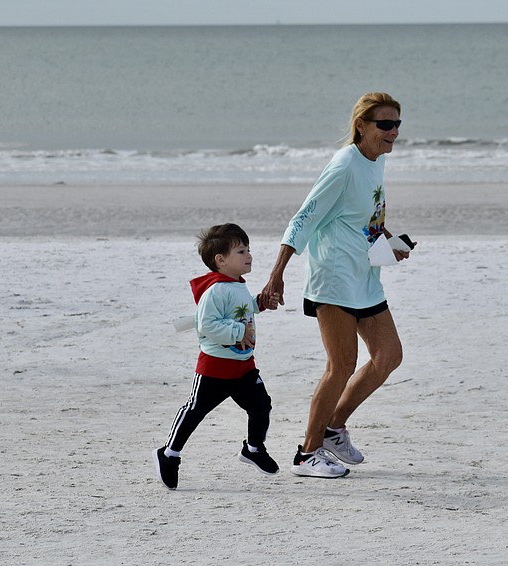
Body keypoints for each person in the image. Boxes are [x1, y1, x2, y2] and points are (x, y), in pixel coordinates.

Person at [262, 92, 413, 478]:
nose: (393, 132)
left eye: (397, 124)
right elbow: (303, 218)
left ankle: (333, 428)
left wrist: (389, 241)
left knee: (388, 356)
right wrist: (277, 272)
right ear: (361, 125)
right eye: (385, 124)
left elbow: (366, 217)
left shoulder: (374, 161)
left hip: (364, 277)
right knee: (341, 364)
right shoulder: (345, 165)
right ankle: (306, 453)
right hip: (333, 279)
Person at [153, 223, 280, 490]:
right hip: (215, 368)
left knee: (261, 406)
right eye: (241, 251)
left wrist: (259, 303)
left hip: (244, 367)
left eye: (249, 249)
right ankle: (169, 454)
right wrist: (237, 331)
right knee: (194, 411)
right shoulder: (215, 290)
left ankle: (254, 449)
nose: (249, 255)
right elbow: (207, 324)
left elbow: (241, 310)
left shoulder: (236, 285)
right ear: (220, 260)